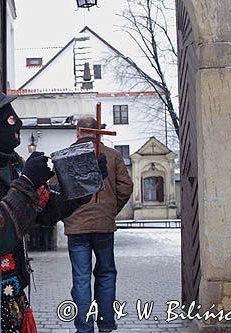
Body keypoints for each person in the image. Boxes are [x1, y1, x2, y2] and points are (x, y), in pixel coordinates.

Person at [0, 81, 106, 332]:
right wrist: (27, 182)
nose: (17, 123)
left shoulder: (11, 163)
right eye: (8, 118)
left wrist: (82, 183)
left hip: (10, 298)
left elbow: (47, 210)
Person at [62, 115, 133, 333]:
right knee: (106, 274)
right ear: (98, 131)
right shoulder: (112, 155)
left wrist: (67, 215)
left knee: (81, 278)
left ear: (78, 132)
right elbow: (126, 187)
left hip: (77, 227)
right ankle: (106, 324)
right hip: (104, 225)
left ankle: (84, 329)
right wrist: (111, 210)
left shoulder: (66, 156)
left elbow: (56, 190)